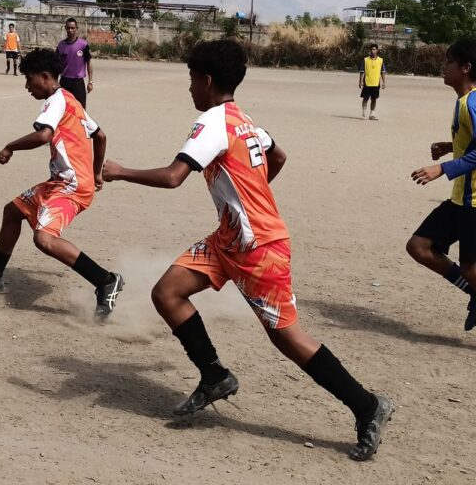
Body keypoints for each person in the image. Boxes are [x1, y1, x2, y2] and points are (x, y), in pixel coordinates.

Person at [102, 39, 393, 461]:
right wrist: (249, 196)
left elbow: (172, 177)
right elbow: (278, 155)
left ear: (205, 80)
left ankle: (368, 406)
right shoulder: (245, 120)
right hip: (230, 239)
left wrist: (121, 171)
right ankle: (214, 376)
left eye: (190, 80)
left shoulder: (212, 122)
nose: (188, 89)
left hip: (260, 247)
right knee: (167, 293)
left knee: (289, 339)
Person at [0, 48, 124, 316]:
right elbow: (101, 136)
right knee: (13, 211)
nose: (27, 86)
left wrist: (9, 147)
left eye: (29, 79)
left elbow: (43, 136)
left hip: (71, 186)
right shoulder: (70, 99)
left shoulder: (55, 101)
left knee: (44, 239)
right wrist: (96, 173)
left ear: (46, 76)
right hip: (63, 182)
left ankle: (106, 280)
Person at [407, 38, 476, 331]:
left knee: (472, 268)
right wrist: (450, 146)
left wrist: (442, 168)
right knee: (419, 247)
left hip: (474, 203)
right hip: (460, 199)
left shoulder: (472, 103)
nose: (443, 66)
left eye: (449, 61)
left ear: (465, 67)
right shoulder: (465, 102)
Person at [56, 18, 93, 109]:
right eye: (68, 28)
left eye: (72, 28)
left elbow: (89, 62)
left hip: (78, 82)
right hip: (64, 81)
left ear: (76, 28)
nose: (70, 30)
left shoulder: (83, 45)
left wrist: (90, 81)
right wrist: (55, 82)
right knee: (64, 109)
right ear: (65, 28)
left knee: (80, 109)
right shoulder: (61, 45)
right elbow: (56, 64)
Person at [359, 43, 386, 120]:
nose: (372, 51)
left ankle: (372, 114)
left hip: (376, 83)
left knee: (374, 99)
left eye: (374, 49)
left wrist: (384, 82)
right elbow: (362, 71)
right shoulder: (365, 60)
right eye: (371, 49)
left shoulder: (380, 60)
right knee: (365, 98)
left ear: (377, 50)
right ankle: (364, 110)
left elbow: (383, 72)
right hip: (367, 82)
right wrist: (360, 81)